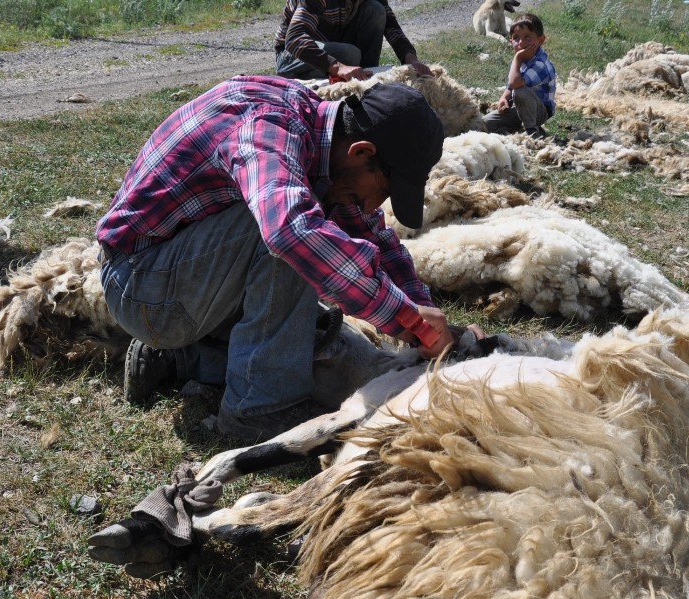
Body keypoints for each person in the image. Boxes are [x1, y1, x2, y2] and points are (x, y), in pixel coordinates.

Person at [95, 75, 456, 444]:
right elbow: (289, 231)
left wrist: (421, 315)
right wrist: (399, 317)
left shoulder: (320, 137)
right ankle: (258, 410)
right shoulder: (268, 124)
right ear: (361, 153)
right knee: (293, 232)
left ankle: (186, 359)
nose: (374, 205)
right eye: (382, 191)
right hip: (141, 287)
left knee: (309, 341)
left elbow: (374, 236)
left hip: (188, 281)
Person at [274, 0, 434, 82]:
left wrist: (411, 59)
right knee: (349, 54)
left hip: (334, 45)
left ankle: (366, 79)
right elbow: (294, 39)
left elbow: (391, 26)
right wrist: (338, 66)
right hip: (291, 56)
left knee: (376, 10)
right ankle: (326, 80)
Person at [483, 13, 556, 137]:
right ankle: (518, 130)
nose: (521, 42)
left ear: (540, 40)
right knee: (485, 123)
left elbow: (515, 84)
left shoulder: (540, 64)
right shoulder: (521, 58)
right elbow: (510, 85)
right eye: (516, 38)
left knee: (520, 91)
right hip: (519, 108)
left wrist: (517, 59)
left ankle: (532, 131)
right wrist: (504, 98)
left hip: (539, 111)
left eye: (528, 37)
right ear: (511, 40)